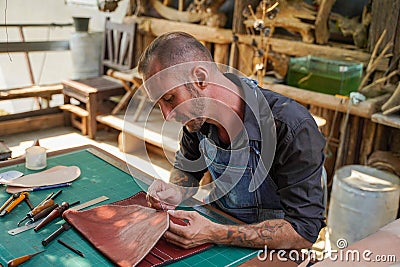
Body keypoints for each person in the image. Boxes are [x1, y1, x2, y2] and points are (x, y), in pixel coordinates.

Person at [138, 32, 326, 250]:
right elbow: (187, 170)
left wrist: (214, 233)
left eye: (170, 99)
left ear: (200, 78)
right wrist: (175, 191)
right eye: (159, 104)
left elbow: (303, 231)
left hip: (273, 250)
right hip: (217, 223)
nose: (168, 115)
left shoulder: (290, 126)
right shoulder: (197, 119)